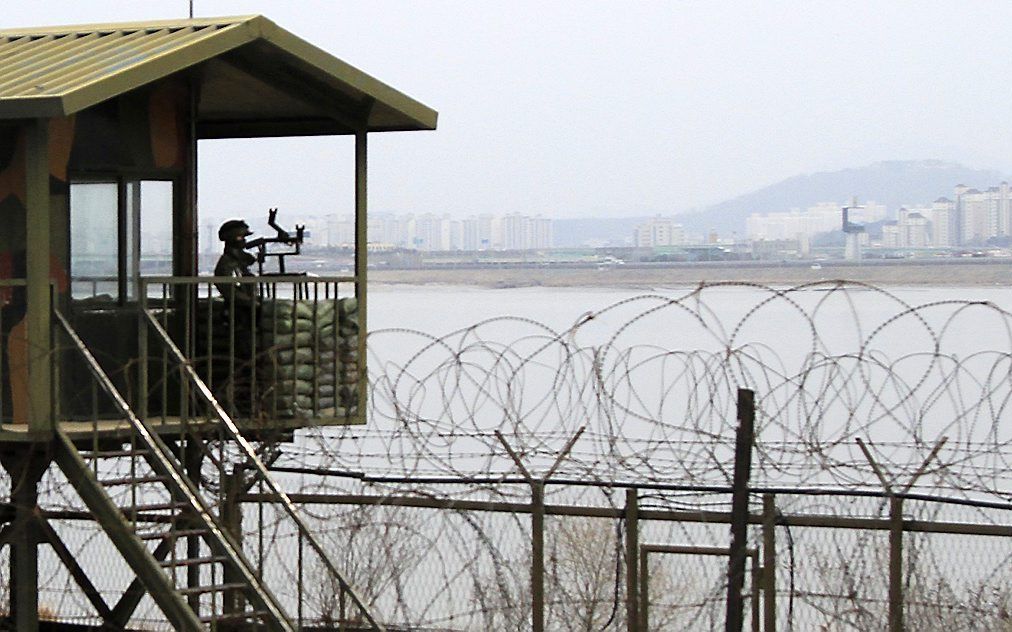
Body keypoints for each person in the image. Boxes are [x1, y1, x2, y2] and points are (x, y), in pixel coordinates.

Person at [214, 219, 259, 303]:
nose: (244, 241)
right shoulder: (227, 262)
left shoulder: (240, 261)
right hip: (238, 309)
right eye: (240, 237)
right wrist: (249, 302)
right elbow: (228, 289)